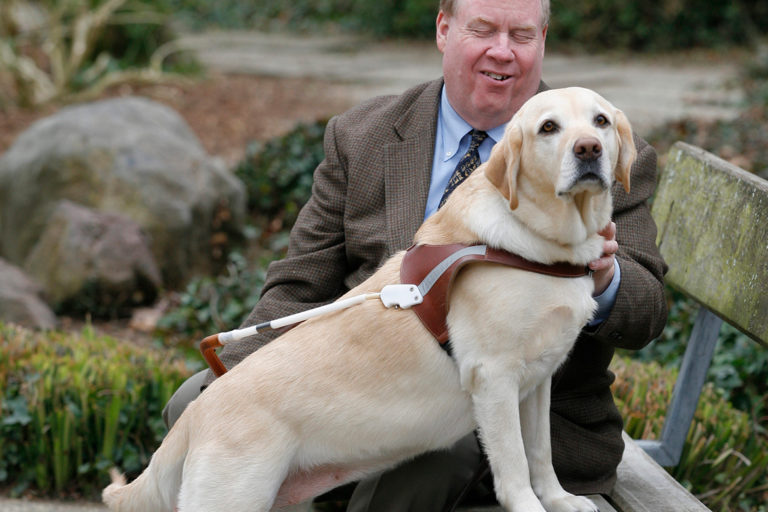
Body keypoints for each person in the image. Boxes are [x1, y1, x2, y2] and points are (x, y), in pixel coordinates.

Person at [163, 0, 668, 509]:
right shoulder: (362, 136)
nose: (502, 51)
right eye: (483, 29)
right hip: (369, 383)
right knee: (199, 403)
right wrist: (241, 380)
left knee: (431, 458)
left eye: (521, 34)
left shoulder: (600, 148)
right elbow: (300, 282)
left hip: (522, 420)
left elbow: (648, 307)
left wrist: (601, 277)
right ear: (444, 30)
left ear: (543, 41)